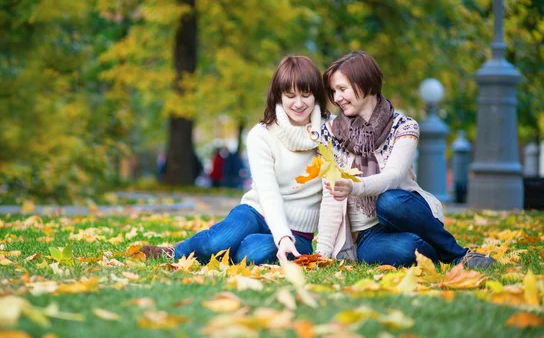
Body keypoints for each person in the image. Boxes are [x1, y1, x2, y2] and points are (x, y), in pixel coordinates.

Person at [140, 55, 329, 264]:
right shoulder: (262, 134)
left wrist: (290, 238)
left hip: (298, 232)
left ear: (316, 95)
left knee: (250, 255)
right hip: (257, 213)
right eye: (290, 95)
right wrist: (281, 235)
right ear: (279, 96)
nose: (299, 103)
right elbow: (268, 192)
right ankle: (175, 252)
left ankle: (239, 245)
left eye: (306, 95)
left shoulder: (331, 132)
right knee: (214, 244)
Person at [315, 51, 496, 268]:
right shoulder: (330, 133)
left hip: (405, 215)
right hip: (367, 234)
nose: (336, 98)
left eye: (342, 89)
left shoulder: (403, 126)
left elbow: (392, 177)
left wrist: (355, 186)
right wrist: (322, 253)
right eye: (334, 91)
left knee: (388, 201)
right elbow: (330, 196)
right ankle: (435, 253)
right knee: (406, 250)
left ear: (365, 83)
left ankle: (458, 255)